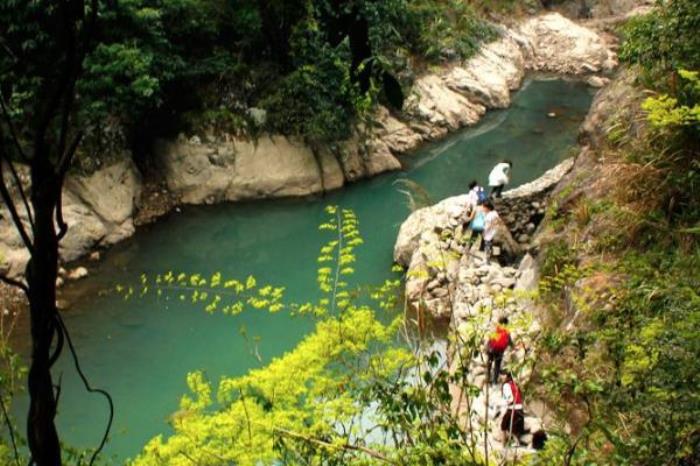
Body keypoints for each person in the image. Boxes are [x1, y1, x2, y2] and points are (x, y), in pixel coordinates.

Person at [500, 372, 526, 443]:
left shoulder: (506, 385)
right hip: (520, 409)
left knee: (503, 426)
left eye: (503, 375)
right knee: (513, 428)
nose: (501, 376)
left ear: (507, 376)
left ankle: (503, 444)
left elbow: (510, 399)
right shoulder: (515, 384)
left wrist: (504, 404)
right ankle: (516, 442)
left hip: (513, 408)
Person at [486, 316, 511, 385]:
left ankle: (488, 379)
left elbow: (490, 338)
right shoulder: (507, 331)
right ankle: (494, 381)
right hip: (499, 351)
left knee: (489, 363)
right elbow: (509, 342)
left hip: (491, 350)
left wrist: (487, 348)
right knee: (497, 366)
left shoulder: (496, 328)